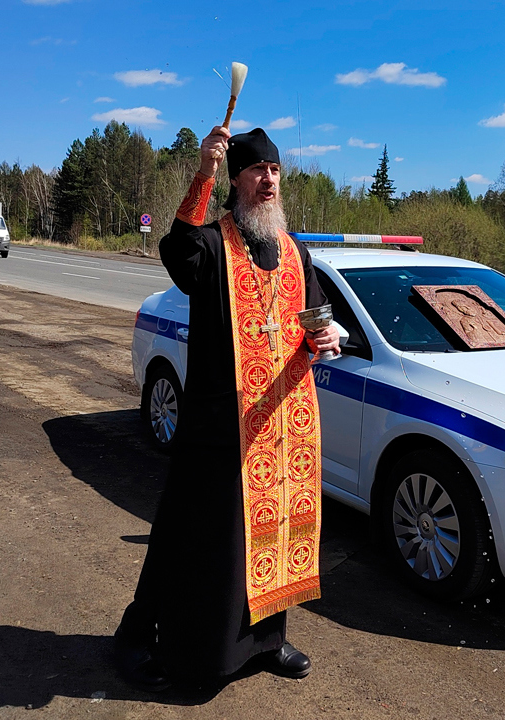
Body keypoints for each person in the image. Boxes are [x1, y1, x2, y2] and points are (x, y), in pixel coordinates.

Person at [114, 126, 341, 691]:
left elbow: (312, 317)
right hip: (220, 429)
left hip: (284, 424)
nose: (269, 180)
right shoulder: (211, 244)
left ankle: (267, 641)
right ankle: (194, 655)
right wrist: (203, 170)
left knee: (276, 535)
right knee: (208, 546)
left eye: (275, 171)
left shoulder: (293, 250)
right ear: (237, 180)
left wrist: (324, 338)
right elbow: (174, 248)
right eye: (257, 171)